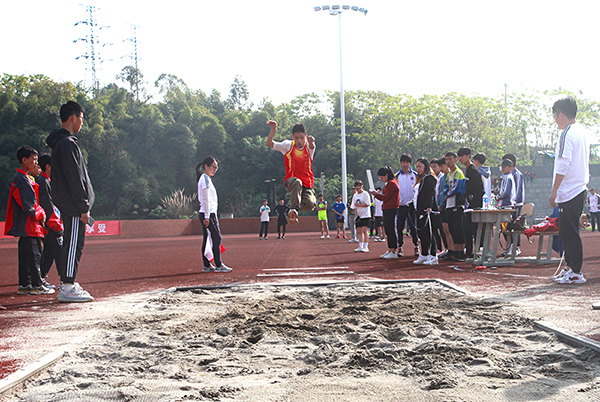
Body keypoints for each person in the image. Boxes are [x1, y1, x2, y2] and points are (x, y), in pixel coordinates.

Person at [46, 101, 94, 302]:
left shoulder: (63, 143)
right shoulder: (67, 144)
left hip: (71, 203)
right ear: (73, 117)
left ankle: (68, 282)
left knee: (72, 242)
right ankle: (67, 286)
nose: (82, 123)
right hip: (74, 206)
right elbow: (74, 177)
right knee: (74, 243)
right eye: (81, 118)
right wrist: (83, 205)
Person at [550, 97, 589, 285]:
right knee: (567, 232)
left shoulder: (567, 133)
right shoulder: (581, 132)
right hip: (577, 188)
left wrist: (554, 191)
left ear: (561, 115)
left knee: (569, 232)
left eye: (555, 116)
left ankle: (575, 271)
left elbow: (563, 164)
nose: (555, 120)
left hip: (570, 190)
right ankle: (570, 267)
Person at [4, 146, 53, 295]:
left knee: (25, 257)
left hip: (27, 226)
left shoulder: (22, 178)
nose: (36, 163)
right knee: (35, 256)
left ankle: (25, 285)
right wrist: (41, 214)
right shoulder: (23, 179)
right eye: (34, 160)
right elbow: (29, 206)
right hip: (29, 226)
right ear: (24, 160)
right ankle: (37, 286)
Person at [265, 120, 316, 224]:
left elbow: (312, 147)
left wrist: (311, 142)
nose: (299, 141)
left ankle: (293, 209)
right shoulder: (287, 146)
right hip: (291, 181)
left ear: (305, 137)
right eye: (296, 138)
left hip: (306, 185)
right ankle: (293, 209)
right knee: (297, 182)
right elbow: (269, 144)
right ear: (293, 137)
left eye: (302, 138)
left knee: (310, 205)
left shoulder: (308, 147)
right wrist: (273, 130)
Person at [197, 156, 232, 273]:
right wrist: (207, 216)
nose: (215, 170)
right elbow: (206, 199)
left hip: (208, 213)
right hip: (208, 214)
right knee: (217, 238)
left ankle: (207, 265)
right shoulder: (205, 179)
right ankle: (218, 265)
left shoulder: (206, 178)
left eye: (216, 168)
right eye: (213, 167)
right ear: (206, 166)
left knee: (208, 239)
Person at [36, 154, 64, 289]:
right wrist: (57, 226)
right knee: (59, 252)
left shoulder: (46, 181)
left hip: (50, 225)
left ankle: (40, 277)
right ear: (48, 166)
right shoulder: (43, 182)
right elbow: (47, 206)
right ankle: (65, 281)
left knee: (49, 252)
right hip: (51, 225)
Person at [458, 147, 483, 259]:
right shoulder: (468, 170)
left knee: (474, 230)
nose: (460, 159)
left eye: (462, 156)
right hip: (468, 206)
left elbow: (479, 189)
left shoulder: (473, 170)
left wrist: (474, 203)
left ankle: (477, 251)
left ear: (468, 156)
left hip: (474, 206)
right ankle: (469, 252)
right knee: (466, 229)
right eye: (459, 156)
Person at [413, 158, 439, 265]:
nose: (418, 169)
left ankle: (433, 255)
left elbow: (430, 193)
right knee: (421, 233)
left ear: (425, 166)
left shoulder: (429, 178)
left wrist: (429, 206)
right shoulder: (422, 179)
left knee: (429, 232)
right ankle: (424, 254)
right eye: (417, 167)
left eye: (420, 166)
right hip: (419, 209)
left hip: (427, 210)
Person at [371, 166, 400, 259]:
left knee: (390, 229)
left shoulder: (392, 183)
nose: (381, 179)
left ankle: (394, 250)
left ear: (386, 175)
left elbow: (386, 197)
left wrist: (376, 194)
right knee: (388, 229)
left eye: (382, 177)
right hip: (387, 208)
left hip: (391, 208)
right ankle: (391, 249)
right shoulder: (389, 183)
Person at [443, 151, 466, 262]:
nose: (448, 162)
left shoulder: (458, 173)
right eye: (446, 159)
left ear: (455, 160)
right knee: (452, 229)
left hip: (457, 203)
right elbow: (446, 187)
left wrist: (447, 194)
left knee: (458, 229)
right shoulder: (449, 174)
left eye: (450, 159)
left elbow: (457, 188)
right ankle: (455, 251)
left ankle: (461, 251)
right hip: (449, 205)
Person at [395, 154, 419, 257]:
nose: (405, 164)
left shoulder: (415, 175)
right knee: (399, 227)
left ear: (410, 163)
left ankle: (416, 246)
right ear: (400, 163)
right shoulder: (396, 176)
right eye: (403, 162)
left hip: (413, 206)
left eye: (407, 162)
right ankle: (399, 247)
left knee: (414, 227)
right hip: (401, 206)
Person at [503, 153, 525, 255]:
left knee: (514, 225)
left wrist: (514, 202)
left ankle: (516, 246)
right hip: (509, 204)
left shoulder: (517, 174)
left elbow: (517, 189)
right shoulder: (507, 175)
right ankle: (509, 245)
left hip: (516, 204)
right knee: (505, 225)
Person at [430, 159, 448, 256]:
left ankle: (447, 248)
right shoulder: (432, 178)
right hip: (435, 207)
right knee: (434, 230)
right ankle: (439, 249)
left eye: (435, 166)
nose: (433, 169)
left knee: (443, 229)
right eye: (431, 167)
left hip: (441, 207)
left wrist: (441, 205)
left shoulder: (442, 177)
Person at [351, 180, 371, 252]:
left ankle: (366, 246)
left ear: (362, 186)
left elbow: (368, 204)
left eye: (358, 186)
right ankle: (360, 246)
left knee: (365, 230)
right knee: (359, 231)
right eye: (356, 186)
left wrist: (359, 205)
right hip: (359, 216)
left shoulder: (365, 194)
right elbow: (354, 206)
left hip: (365, 215)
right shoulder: (355, 195)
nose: (357, 188)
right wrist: (356, 216)